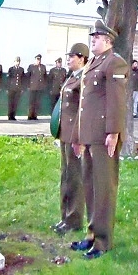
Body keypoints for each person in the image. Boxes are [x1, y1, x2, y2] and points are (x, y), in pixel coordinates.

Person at [70, 20, 128, 259]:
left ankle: (103, 241)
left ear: (108, 41)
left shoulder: (115, 62)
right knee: (91, 187)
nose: (92, 40)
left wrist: (113, 133)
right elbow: (84, 105)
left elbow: (116, 101)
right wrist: (77, 136)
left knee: (104, 188)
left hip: (105, 137)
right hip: (89, 136)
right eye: (92, 37)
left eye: (97, 37)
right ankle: (92, 235)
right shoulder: (92, 64)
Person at [52, 42, 89, 235]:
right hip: (64, 133)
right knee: (65, 176)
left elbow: (84, 112)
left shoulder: (84, 79)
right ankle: (64, 217)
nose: (68, 59)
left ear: (82, 58)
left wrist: (80, 138)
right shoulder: (70, 78)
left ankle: (74, 220)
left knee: (75, 178)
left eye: (72, 57)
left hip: (75, 136)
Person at [27, 53, 47, 120]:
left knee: (37, 102)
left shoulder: (43, 67)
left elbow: (45, 76)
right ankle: (30, 115)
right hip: (32, 87)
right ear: (35, 59)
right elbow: (28, 76)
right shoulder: (31, 66)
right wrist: (28, 86)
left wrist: (43, 85)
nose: (38, 61)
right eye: (37, 59)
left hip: (39, 87)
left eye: (39, 59)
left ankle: (35, 115)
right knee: (31, 102)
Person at [7, 56, 25, 120]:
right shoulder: (11, 69)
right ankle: (10, 116)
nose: (17, 63)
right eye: (16, 61)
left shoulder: (21, 69)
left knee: (16, 103)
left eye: (18, 61)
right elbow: (8, 79)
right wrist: (7, 88)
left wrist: (22, 88)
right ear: (14, 62)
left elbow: (23, 79)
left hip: (18, 88)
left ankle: (13, 116)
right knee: (10, 102)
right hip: (11, 88)